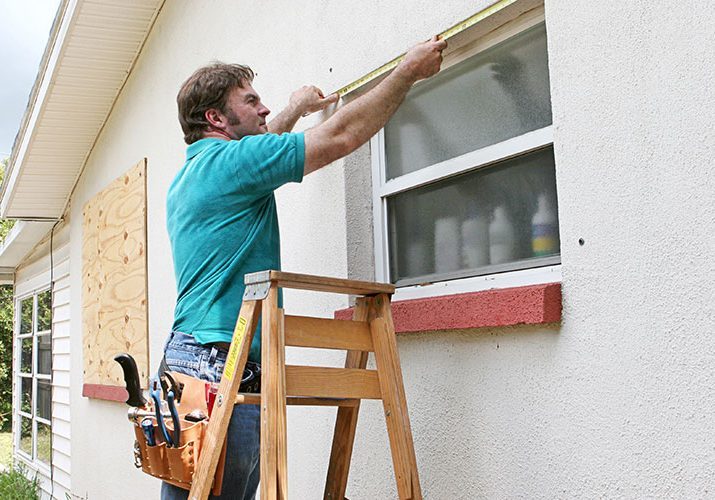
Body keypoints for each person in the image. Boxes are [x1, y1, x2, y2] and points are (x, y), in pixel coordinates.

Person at [162, 35, 447, 499]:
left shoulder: (191, 174)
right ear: (216, 118)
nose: (263, 108)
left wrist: (295, 108)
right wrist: (408, 71)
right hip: (223, 366)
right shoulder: (234, 163)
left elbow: (258, 149)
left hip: (184, 367)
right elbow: (341, 135)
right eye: (250, 101)